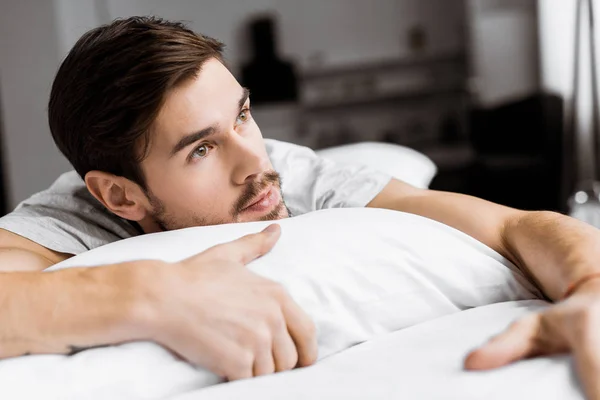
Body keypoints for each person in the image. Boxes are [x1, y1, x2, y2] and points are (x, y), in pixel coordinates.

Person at [0, 16, 599, 398]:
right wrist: (152, 295)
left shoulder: (295, 172)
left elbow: (513, 225)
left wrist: (592, 286)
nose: (254, 161)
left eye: (242, 115)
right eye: (202, 148)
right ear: (121, 195)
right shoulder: (72, 219)